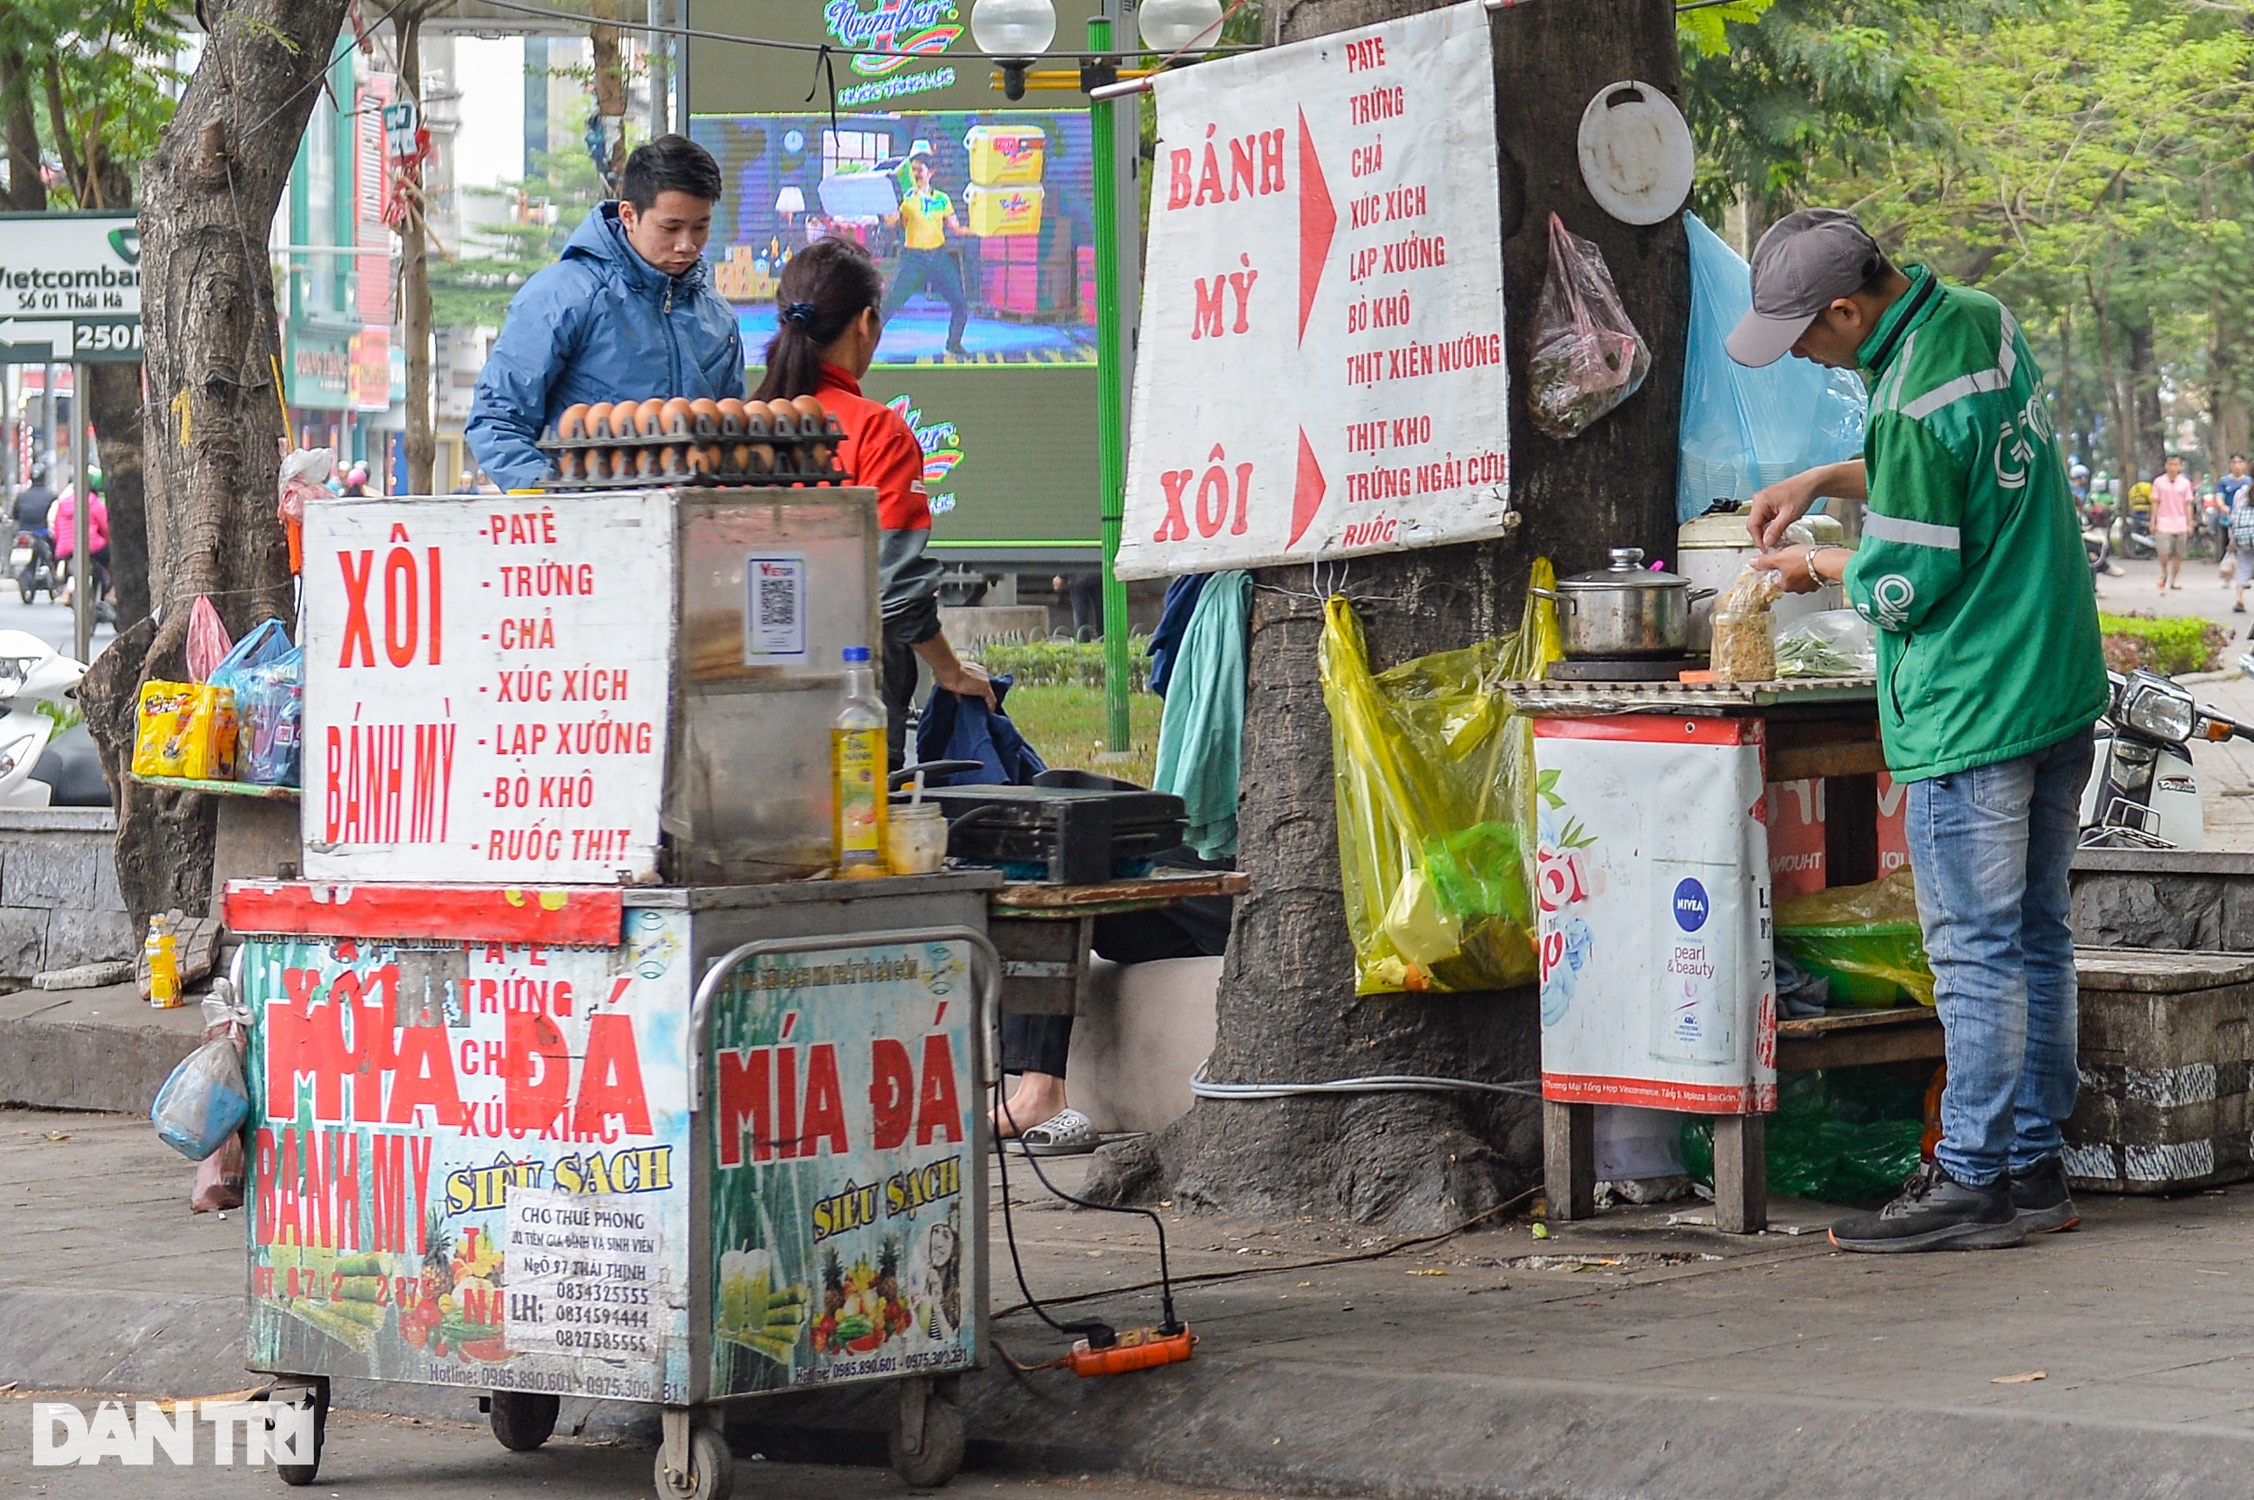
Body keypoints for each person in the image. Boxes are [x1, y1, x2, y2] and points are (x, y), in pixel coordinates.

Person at [1727, 207, 2107, 1253]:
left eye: (1806, 335)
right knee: (2035, 935)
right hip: (2052, 679)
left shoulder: (1902, 407)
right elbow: (1958, 469)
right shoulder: (1980, 322)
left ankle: (1973, 1177)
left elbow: (1904, 581)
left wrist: (1816, 565)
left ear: (1846, 310)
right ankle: (2032, 1167)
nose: (1803, 352)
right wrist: (1822, 478)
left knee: (1974, 951)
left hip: (1972, 704)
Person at [752, 237, 994, 763]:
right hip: (852, 698)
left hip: (745, 690)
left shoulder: (742, 425)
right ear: (865, 324)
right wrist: (950, 672)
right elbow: (897, 590)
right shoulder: (877, 431)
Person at [467, 134, 746, 490]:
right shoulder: (562, 297)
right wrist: (552, 503)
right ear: (629, 215)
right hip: (585, 535)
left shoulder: (719, 320)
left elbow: (732, 434)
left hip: (693, 534)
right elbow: (496, 421)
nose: (686, 244)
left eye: (701, 227)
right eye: (671, 227)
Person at [880, 151, 971, 362]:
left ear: (931, 172)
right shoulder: (906, 199)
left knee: (959, 303)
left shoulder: (942, 199)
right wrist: (889, 203)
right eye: (912, 170)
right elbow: (890, 222)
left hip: (938, 258)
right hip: (913, 259)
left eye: (919, 170)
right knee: (888, 307)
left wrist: (978, 230)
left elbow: (955, 227)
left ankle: (953, 345)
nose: (915, 174)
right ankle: (863, 348)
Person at [52, 470, 109, 605]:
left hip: (66, 548)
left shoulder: (63, 503)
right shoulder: (93, 502)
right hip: (92, 546)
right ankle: (112, 593)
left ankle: (66, 591)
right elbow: (105, 526)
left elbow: (57, 528)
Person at [2150, 453, 2195, 592]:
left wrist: (2190, 522)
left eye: (2176, 464)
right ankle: (2164, 572)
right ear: (2166, 466)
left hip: (2180, 522)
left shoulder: (2185, 483)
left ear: (2180, 466)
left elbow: (2188, 504)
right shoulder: (2158, 482)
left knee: (2178, 554)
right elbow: (2155, 502)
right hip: (2163, 522)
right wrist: (2153, 520)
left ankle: (2174, 579)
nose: (2173, 467)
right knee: (2163, 551)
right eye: (2170, 464)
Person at [10, 463, 54, 548]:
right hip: (42, 533)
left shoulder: (21, 496)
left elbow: (14, 515)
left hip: (22, 533)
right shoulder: (51, 496)